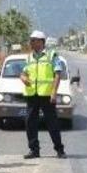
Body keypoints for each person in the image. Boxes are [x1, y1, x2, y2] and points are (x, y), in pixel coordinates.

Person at [21, 30, 66, 159]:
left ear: (41, 42)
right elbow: (23, 72)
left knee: (52, 123)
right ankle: (34, 150)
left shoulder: (52, 55)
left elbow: (58, 74)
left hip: (47, 95)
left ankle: (59, 149)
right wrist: (23, 78)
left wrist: (53, 92)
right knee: (30, 123)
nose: (31, 43)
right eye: (31, 40)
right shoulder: (29, 57)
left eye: (33, 40)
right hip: (32, 95)